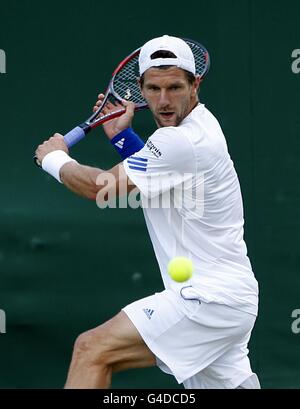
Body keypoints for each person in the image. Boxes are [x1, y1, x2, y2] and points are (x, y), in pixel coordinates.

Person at [35, 35, 260, 389]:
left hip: (210, 298)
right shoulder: (198, 126)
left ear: (195, 84)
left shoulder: (180, 140)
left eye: (174, 87)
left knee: (91, 349)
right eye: (153, 89)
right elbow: (161, 178)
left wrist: (55, 158)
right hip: (230, 301)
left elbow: (101, 188)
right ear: (139, 89)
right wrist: (121, 139)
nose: (164, 101)